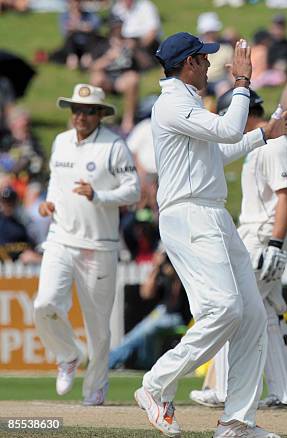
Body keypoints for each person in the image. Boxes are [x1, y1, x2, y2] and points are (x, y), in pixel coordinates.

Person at [132, 32, 287, 438]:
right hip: (189, 214)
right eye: (203, 59)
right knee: (224, 309)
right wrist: (241, 83)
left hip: (210, 212)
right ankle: (156, 384)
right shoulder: (171, 103)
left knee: (252, 314)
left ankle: (236, 422)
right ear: (189, 64)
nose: (208, 65)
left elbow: (217, 151)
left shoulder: (185, 102)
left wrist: (262, 135)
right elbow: (226, 130)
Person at [190, 89, 287, 410]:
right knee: (266, 312)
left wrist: (277, 245)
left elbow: (286, 197)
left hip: (263, 239)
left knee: (233, 306)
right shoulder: (260, 144)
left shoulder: (275, 146)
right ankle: (286, 393)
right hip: (257, 238)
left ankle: (225, 389)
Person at [33, 83, 140, 406]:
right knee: (44, 304)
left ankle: (95, 388)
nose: (80, 116)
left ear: (100, 114)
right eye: (76, 110)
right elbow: (55, 181)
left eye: (88, 110)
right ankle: (67, 355)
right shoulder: (61, 142)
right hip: (61, 238)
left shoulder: (114, 146)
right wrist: (48, 203)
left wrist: (100, 195)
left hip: (100, 244)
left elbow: (134, 191)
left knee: (98, 327)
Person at [109, 249, 190, 369]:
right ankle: (122, 361)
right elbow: (146, 293)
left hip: (178, 315)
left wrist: (174, 273)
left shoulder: (182, 264)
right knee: (138, 333)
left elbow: (175, 299)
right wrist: (156, 268)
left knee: (143, 331)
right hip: (162, 312)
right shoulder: (163, 267)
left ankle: (111, 361)